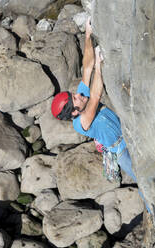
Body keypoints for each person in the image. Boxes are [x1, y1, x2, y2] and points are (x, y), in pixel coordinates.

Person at [51, 18, 151, 213]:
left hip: (129, 135)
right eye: (76, 98)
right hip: (122, 150)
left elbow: (86, 68)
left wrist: (88, 35)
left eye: (76, 94)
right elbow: (96, 95)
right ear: (73, 111)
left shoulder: (81, 102)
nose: (79, 94)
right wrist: (100, 64)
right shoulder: (80, 123)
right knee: (145, 185)